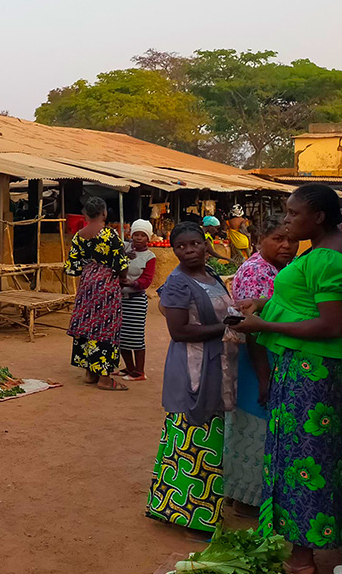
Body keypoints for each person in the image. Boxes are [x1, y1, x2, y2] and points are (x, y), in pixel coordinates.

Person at [230, 184, 342, 574]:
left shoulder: (329, 257)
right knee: (331, 456)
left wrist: (262, 323)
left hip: (314, 371)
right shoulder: (324, 248)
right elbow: (304, 302)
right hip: (315, 367)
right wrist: (262, 304)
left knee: (304, 460)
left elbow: (332, 323)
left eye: (292, 214)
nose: (287, 222)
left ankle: (301, 558)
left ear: (318, 216)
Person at [146, 222, 237, 534]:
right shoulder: (176, 283)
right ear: (175, 250)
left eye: (194, 244)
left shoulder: (211, 274)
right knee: (191, 438)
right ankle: (189, 515)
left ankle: (202, 510)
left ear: (205, 244)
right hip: (192, 368)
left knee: (210, 438)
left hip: (217, 363)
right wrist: (227, 327)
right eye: (181, 246)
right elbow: (179, 331)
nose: (189, 250)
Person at [222, 213, 298, 514]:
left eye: (291, 239)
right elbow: (252, 330)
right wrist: (264, 377)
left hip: (270, 358)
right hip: (258, 361)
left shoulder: (284, 269)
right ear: (259, 241)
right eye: (278, 239)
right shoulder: (256, 271)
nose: (287, 245)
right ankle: (246, 500)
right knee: (254, 425)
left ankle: (245, 494)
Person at [64, 197, 129, 390]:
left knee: (88, 324)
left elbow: (72, 268)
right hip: (106, 285)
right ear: (104, 213)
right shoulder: (110, 235)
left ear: (85, 214)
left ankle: (89, 373)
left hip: (86, 285)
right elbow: (121, 265)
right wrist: (120, 277)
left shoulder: (78, 236)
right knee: (106, 327)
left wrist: (90, 270)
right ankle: (105, 379)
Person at [118, 220, 157, 381]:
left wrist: (133, 283)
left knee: (135, 336)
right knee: (120, 336)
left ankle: (140, 372)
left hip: (136, 300)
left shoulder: (149, 257)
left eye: (143, 235)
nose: (139, 238)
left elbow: (147, 280)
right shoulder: (124, 248)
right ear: (131, 235)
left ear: (148, 238)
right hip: (120, 299)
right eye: (136, 234)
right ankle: (130, 368)